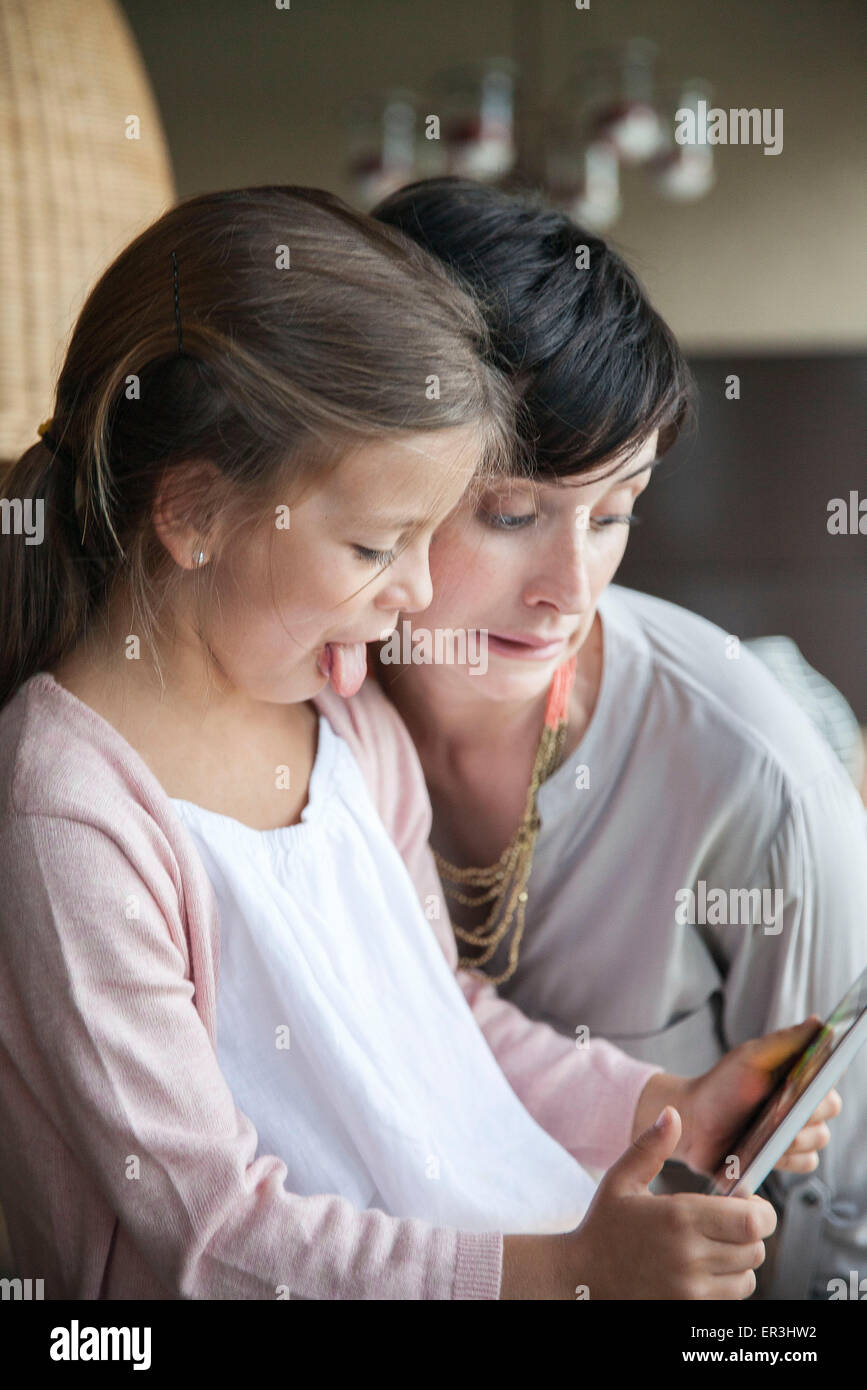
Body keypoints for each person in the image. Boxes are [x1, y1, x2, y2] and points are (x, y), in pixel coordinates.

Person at [0, 186, 838, 1302]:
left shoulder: (344, 720)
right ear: (195, 514)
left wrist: (659, 1102)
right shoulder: (72, 813)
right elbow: (204, 1239)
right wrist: (563, 1272)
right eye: (376, 545)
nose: (414, 592)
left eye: (614, 509)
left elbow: (452, 1026)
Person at [326, 176, 867, 1301]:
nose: (569, 589)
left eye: (615, 511)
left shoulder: (757, 792)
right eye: (515, 515)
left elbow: (822, 1215)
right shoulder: (304, 709)